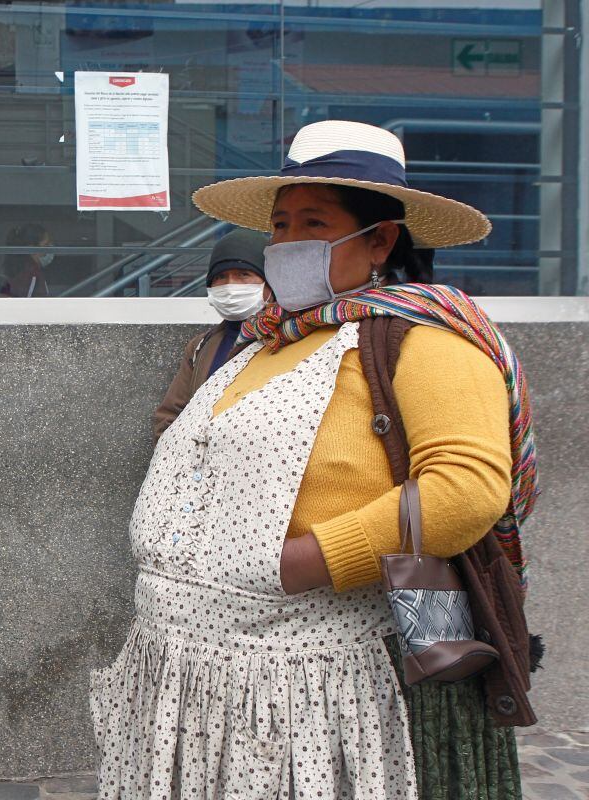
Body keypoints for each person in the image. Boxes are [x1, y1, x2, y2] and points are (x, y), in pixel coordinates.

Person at [91, 120, 535, 800]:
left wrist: (295, 563)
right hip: (194, 667)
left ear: (380, 238)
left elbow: (465, 491)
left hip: (311, 678)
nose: (287, 243)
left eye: (313, 223)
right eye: (281, 224)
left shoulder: (426, 340)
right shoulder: (270, 339)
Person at [153, 228, 267, 439]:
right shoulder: (201, 346)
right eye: (221, 276)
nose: (231, 285)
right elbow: (170, 415)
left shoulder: (284, 340)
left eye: (243, 274)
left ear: (268, 283)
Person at [3, 223, 53, 297]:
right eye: (46, 245)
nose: (49, 249)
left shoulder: (22, 269)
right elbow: (24, 304)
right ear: (32, 249)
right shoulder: (32, 273)